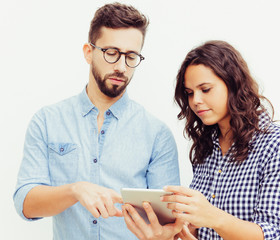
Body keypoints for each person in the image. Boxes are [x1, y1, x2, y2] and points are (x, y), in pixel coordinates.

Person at [13, 3, 180, 240]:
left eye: (131, 56)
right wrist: (75, 190)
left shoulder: (157, 134)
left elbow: (167, 221)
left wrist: (164, 233)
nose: (121, 67)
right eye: (111, 53)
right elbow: (24, 203)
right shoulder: (47, 120)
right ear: (88, 52)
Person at [122, 40, 280, 240]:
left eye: (205, 89)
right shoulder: (207, 147)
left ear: (234, 84)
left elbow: (276, 235)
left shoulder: (279, 145)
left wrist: (213, 217)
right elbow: (203, 232)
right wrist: (175, 232)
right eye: (190, 93)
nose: (195, 101)